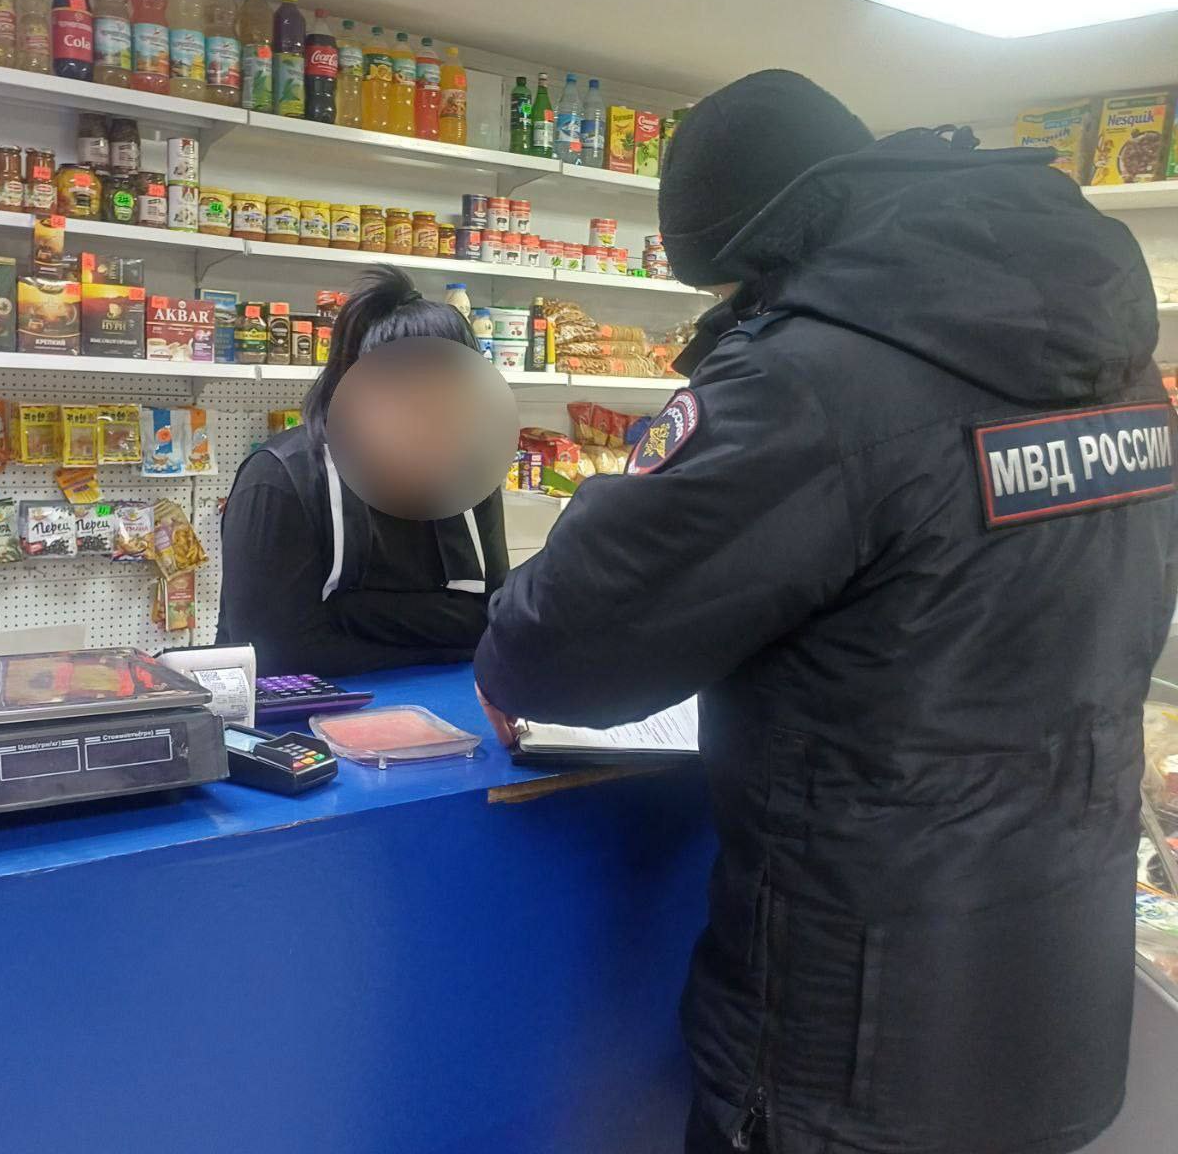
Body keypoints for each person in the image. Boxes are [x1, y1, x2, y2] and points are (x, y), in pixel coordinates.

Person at [474, 70, 1178, 1154]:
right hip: (1054, 1011)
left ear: (758, 254)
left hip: (856, 1038)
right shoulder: (1112, 357)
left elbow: (558, 649)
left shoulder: (806, 381)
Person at [218, 265, 508, 676]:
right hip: (298, 711)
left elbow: (493, 621)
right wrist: (447, 641)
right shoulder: (279, 480)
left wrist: (348, 610)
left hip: (446, 701)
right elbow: (277, 657)